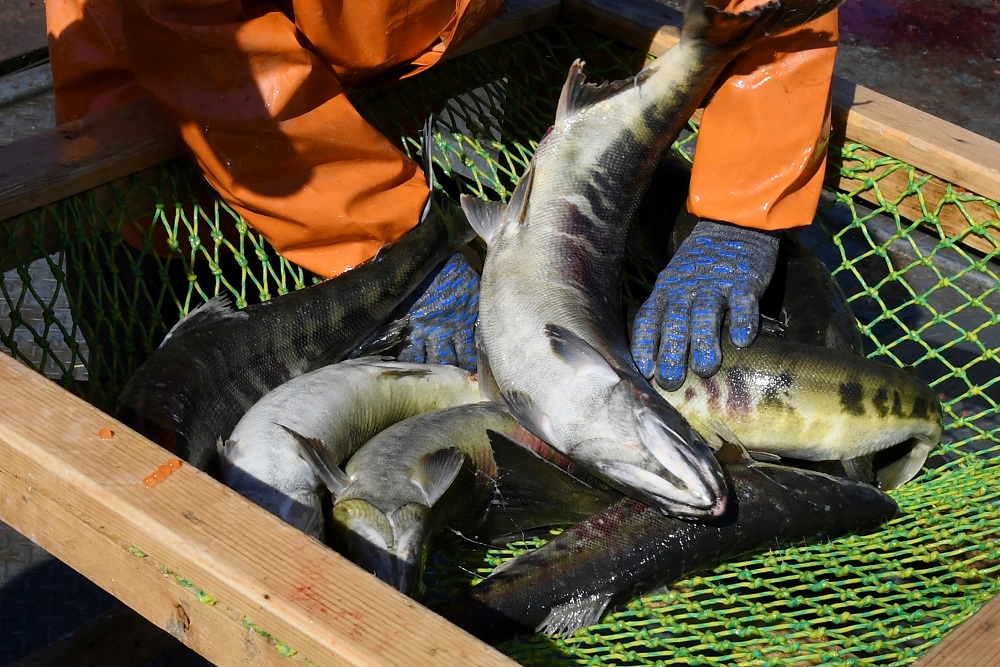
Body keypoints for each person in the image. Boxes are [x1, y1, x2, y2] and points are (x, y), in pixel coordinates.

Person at [45, 0, 837, 383]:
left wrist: (742, 208)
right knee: (168, 400)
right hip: (168, 102)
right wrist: (396, 243)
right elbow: (213, 59)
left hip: (397, 46)